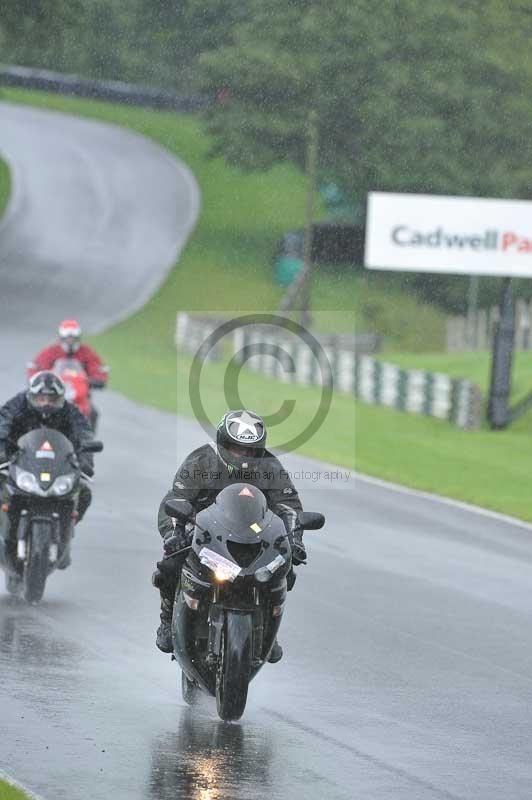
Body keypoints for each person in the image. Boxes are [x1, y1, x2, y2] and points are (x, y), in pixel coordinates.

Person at [154, 409, 307, 660]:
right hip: (206, 536)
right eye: (236, 449)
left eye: (249, 451)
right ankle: (166, 619)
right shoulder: (201, 461)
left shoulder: (270, 467)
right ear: (223, 444)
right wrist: (174, 532)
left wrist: (295, 539)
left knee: (285, 569)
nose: (243, 456)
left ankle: (268, 628)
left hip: (254, 537)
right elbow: (177, 498)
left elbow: (288, 505)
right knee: (170, 565)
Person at [0, 372, 95, 540]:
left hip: (56, 465)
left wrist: (85, 461)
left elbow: (84, 433)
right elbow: (3, 422)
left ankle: (65, 533)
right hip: (18, 461)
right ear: (31, 396)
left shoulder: (69, 410)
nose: (46, 403)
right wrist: (2, 453)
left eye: (52, 399)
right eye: (41, 398)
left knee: (84, 492)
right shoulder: (18, 404)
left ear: (60, 398)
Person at [27, 319, 109, 386]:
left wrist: (97, 379)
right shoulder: (51, 351)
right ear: (61, 338)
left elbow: (96, 366)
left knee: (90, 407)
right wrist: (38, 379)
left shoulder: (86, 351)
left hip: (81, 392)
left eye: (73, 339)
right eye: (67, 339)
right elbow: (38, 366)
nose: (70, 342)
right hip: (55, 392)